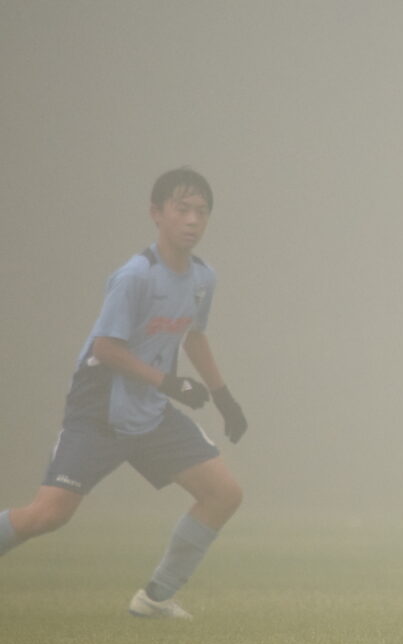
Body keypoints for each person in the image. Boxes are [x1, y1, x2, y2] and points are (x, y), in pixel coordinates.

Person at [0, 167, 247, 619]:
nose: (193, 220)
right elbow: (106, 348)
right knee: (48, 515)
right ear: (157, 214)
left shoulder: (202, 278)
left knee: (224, 494)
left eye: (202, 211)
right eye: (182, 208)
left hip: (150, 411)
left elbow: (193, 335)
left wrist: (223, 396)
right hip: (99, 411)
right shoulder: (135, 275)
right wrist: (170, 383)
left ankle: (155, 597)